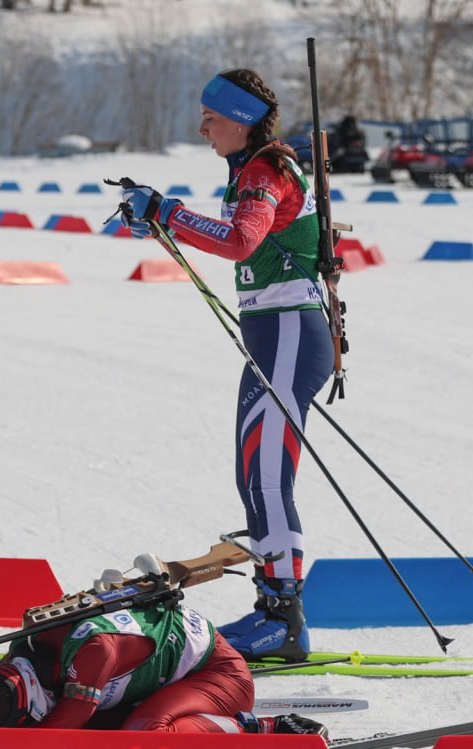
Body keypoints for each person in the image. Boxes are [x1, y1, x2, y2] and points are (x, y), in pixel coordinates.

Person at [118, 70, 334, 663]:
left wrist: (169, 210)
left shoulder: (265, 170)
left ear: (239, 119)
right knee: (253, 475)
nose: (202, 127)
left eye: (211, 117)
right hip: (271, 332)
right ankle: (275, 610)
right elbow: (238, 241)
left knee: (267, 477)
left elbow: (240, 241)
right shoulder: (249, 168)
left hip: (290, 330)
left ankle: (284, 619)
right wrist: (161, 219)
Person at [0, 597, 328, 749]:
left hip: (218, 674)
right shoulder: (25, 659)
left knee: (141, 738)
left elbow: (32, 744)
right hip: (148, 679)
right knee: (106, 731)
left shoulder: (90, 654)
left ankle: (262, 729)